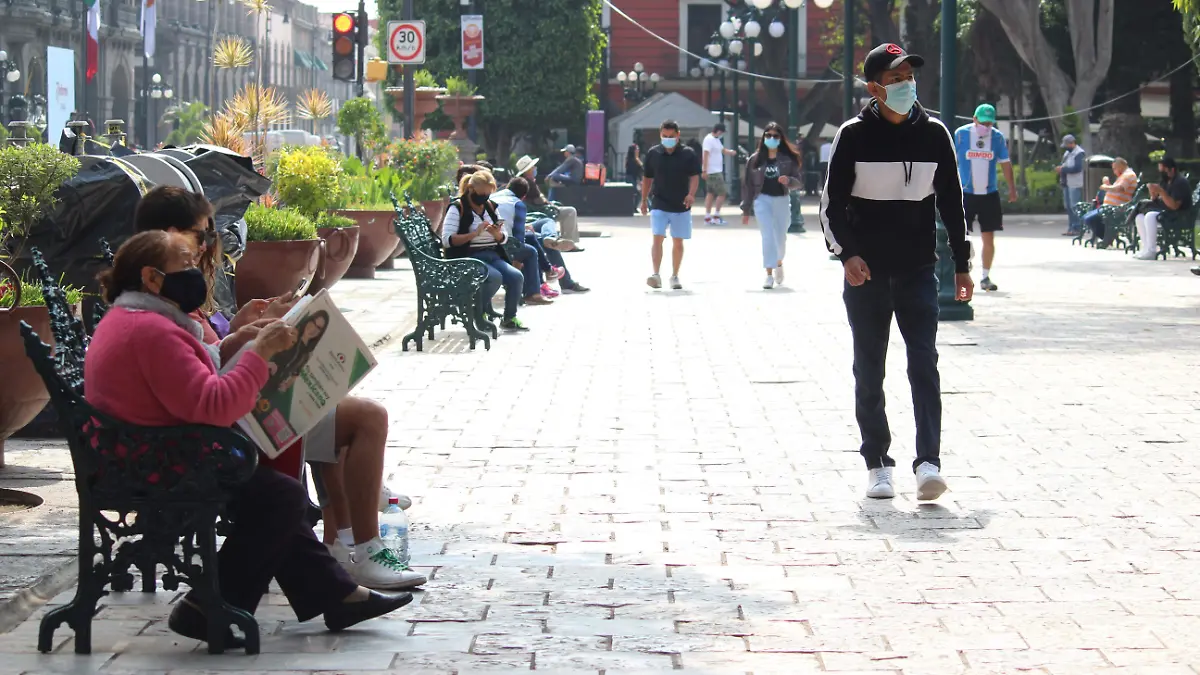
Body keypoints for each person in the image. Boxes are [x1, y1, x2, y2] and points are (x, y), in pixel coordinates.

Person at [87, 230, 413, 646]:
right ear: (152, 279)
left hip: (151, 452)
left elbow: (191, 382)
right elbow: (216, 404)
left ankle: (337, 595)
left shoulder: (139, 320)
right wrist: (259, 352)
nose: (195, 272)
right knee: (280, 496)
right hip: (157, 464)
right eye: (185, 265)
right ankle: (209, 607)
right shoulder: (151, 331)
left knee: (277, 491)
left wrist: (235, 343)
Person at [132, 187, 423, 592]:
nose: (205, 249)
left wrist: (243, 329)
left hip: (218, 418)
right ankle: (357, 548)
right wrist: (254, 344)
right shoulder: (156, 307)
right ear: (167, 237)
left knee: (331, 406)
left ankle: (343, 549)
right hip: (215, 431)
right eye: (200, 237)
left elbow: (202, 359)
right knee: (357, 419)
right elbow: (206, 384)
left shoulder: (160, 297)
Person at [819, 43, 972, 502]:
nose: (906, 84)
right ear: (874, 88)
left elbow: (952, 203)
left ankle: (929, 463)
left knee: (924, 363)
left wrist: (963, 264)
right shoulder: (852, 136)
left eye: (910, 74)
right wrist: (846, 255)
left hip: (918, 270)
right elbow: (830, 208)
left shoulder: (936, 135)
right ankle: (877, 463)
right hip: (866, 275)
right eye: (895, 77)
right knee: (870, 370)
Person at [443, 170, 529, 331]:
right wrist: (474, 234)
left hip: (492, 253)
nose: (484, 197)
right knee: (494, 277)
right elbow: (447, 240)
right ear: (471, 189)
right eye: (482, 193)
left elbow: (503, 238)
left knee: (516, 276)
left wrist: (497, 234)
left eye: (488, 194)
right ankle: (478, 312)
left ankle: (509, 317)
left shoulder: (490, 207)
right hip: (468, 256)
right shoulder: (457, 208)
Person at [954, 103, 1017, 292]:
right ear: (974, 119)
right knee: (959, 234)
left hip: (989, 194)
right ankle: (961, 269)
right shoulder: (961, 134)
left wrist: (1012, 188)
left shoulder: (996, 137)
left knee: (988, 236)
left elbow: (1006, 164)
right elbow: (949, 159)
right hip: (966, 192)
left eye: (990, 123)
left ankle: (985, 276)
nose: (986, 127)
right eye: (983, 123)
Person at [492, 176, 589, 295]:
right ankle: (558, 277)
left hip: (498, 234)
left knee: (546, 223)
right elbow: (518, 237)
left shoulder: (494, 196)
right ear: (523, 197)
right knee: (540, 240)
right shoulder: (517, 203)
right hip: (506, 239)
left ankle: (550, 238)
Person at [740, 122, 803, 289]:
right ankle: (768, 274)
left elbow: (798, 182)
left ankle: (779, 262)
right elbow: (747, 185)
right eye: (768, 135)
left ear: (781, 138)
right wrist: (746, 209)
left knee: (780, 237)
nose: (772, 138)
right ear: (763, 137)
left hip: (781, 199)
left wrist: (788, 180)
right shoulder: (754, 159)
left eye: (775, 136)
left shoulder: (787, 159)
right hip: (762, 199)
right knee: (767, 236)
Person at [641, 119, 700, 290]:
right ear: (660, 135)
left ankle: (674, 275)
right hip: (659, 202)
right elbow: (647, 178)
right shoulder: (654, 153)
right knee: (657, 237)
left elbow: (695, 175)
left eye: (671, 136)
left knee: (678, 241)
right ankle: (656, 274)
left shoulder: (688, 153)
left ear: (678, 135)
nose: (667, 139)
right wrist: (644, 200)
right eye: (664, 136)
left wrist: (691, 194)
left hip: (681, 204)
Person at [514, 155, 582, 246]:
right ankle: (570, 242)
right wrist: (550, 204)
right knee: (570, 211)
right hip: (540, 211)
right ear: (528, 170)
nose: (535, 168)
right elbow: (539, 201)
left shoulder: (522, 182)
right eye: (533, 167)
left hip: (536, 209)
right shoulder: (529, 183)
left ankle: (566, 241)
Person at [1135, 157, 1192, 260]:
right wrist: (1153, 193)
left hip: (1178, 216)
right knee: (1139, 217)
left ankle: (1152, 251)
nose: (1161, 173)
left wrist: (1161, 192)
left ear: (1172, 170)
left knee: (1150, 216)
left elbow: (1174, 206)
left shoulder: (1180, 182)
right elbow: (1157, 200)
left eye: (1163, 170)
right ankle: (1146, 248)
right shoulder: (1165, 181)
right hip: (1166, 213)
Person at [1082, 157, 1137, 244]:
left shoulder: (1128, 175)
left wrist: (1105, 187)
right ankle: (1108, 236)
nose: (1114, 171)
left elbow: (1119, 189)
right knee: (1086, 217)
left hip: (1116, 208)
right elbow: (1116, 189)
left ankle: (1107, 238)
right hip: (1110, 207)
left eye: (1114, 168)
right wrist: (1108, 185)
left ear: (1121, 166)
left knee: (1089, 219)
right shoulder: (1123, 176)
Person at [702, 123, 737, 226]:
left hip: (715, 170)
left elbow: (722, 150)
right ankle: (716, 216)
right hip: (714, 171)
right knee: (722, 193)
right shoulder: (708, 140)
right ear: (719, 131)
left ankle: (707, 217)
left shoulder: (716, 140)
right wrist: (704, 170)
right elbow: (706, 155)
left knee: (710, 193)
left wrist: (730, 152)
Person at [1057, 134, 1087, 236]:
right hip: (1066, 182)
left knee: (1075, 206)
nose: (1065, 147)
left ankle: (1078, 227)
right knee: (1068, 206)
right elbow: (1065, 164)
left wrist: (1063, 169)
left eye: (1067, 145)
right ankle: (1071, 227)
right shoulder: (1067, 153)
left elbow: (1077, 168)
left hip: (1075, 183)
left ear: (1072, 143)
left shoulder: (1079, 153)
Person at [626, 143, 644, 214]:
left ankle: (634, 207)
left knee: (638, 194)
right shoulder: (631, 160)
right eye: (637, 149)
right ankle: (632, 207)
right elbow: (635, 169)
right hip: (631, 178)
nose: (638, 150)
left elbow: (642, 169)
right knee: (634, 193)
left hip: (635, 178)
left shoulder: (637, 159)